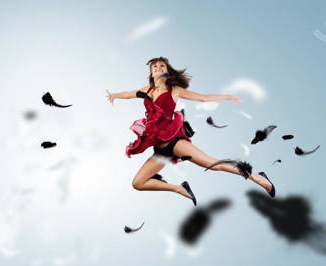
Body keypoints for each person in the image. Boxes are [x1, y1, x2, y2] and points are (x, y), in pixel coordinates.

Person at [106, 57, 275, 206]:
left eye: (162, 66)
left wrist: (227, 97)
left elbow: (204, 97)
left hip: (174, 142)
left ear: (167, 72)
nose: (159, 68)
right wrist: (114, 95)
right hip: (160, 150)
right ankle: (179, 189)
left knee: (212, 164)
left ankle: (260, 179)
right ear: (151, 73)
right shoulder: (147, 90)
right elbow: (128, 94)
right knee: (138, 183)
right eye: (155, 66)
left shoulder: (174, 91)